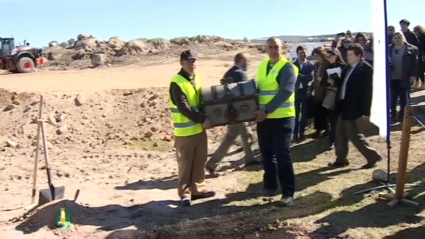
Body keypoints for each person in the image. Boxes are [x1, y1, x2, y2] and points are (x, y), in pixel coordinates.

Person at [169, 50, 216, 207]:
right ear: (181, 62)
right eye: (188, 61)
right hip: (185, 132)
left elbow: (203, 102)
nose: (192, 63)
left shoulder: (197, 79)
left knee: (199, 161)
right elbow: (184, 108)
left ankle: (198, 190)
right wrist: (203, 120)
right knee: (185, 163)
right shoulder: (177, 83)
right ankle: (185, 194)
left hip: (199, 130)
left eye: (194, 60)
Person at [254, 37, 297, 206]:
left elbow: (285, 92)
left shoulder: (288, 68)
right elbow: (258, 90)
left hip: (283, 118)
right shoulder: (262, 66)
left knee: (282, 154)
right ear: (265, 49)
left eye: (276, 47)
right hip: (264, 119)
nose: (273, 49)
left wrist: (265, 110)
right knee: (266, 154)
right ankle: (270, 185)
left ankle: (288, 193)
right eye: (270, 47)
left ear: (282, 48)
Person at [329, 43, 383, 169]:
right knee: (340, 133)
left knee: (353, 134)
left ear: (358, 55)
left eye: (350, 55)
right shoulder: (350, 67)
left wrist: (365, 111)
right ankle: (341, 159)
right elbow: (344, 83)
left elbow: (368, 91)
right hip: (344, 105)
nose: (347, 57)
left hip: (354, 107)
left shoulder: (365, 68)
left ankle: (373, 156)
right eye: (347, 54)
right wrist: (335, 81)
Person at [206, 53, 260, 176]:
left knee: (246, 134)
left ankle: (249, 159)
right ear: (241, 60)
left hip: (229, 112)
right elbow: (246, 96)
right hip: (239, 112)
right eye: (246, 60)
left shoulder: (228, 73)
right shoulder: (241, 74)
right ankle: (212, 163)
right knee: (231, 138)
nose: (248, 63)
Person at [389, 32, 419, 123]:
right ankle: (393, 115)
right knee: (393, 98)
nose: (397, 40)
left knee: (403, 98)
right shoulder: (388, 48)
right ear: (393, 39)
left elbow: (415, 64)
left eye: (399, 37)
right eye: (395, 38)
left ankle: (402, 115)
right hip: (392, 77)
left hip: (405, 77)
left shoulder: (411, 49)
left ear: (403, 38)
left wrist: (413, 75)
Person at [322, 48, 348, 149]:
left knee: (340, 120)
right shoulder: (328, 67)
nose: (328, 59)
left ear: (336, 55)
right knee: (332, 120)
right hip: (331, 95)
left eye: (330, 56)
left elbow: (346, 81)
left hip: (341, 96)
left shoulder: (344, 67)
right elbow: (323, 81)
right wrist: (327, 81)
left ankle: (341, 140)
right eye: (327, 57)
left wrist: (335, 82)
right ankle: (332, 140)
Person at [292, 46, 314, 142]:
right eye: (300, 53)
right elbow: (293, 78)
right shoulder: (293, 65)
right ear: (297, 54)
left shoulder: (310, 64)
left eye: (304, 52)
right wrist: (303, 77)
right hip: (296, 92)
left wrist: (300, 76)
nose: (302, 54)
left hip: (305, 91)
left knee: (304, 113)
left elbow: (311, 77)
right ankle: (295, 134)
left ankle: (302, 132)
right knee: (295, 114)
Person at [309, 47, 330, 139]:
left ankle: (327, 130)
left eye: (317, 55)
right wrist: (311, 89)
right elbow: (314, 79)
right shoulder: (316, 65)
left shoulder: (328, 64)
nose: (316, 57)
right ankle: (318, 130)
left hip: (326, 92)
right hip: (318, 92)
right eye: (315, 56)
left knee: (326, 113)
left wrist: (323, 80)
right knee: (317, 112)